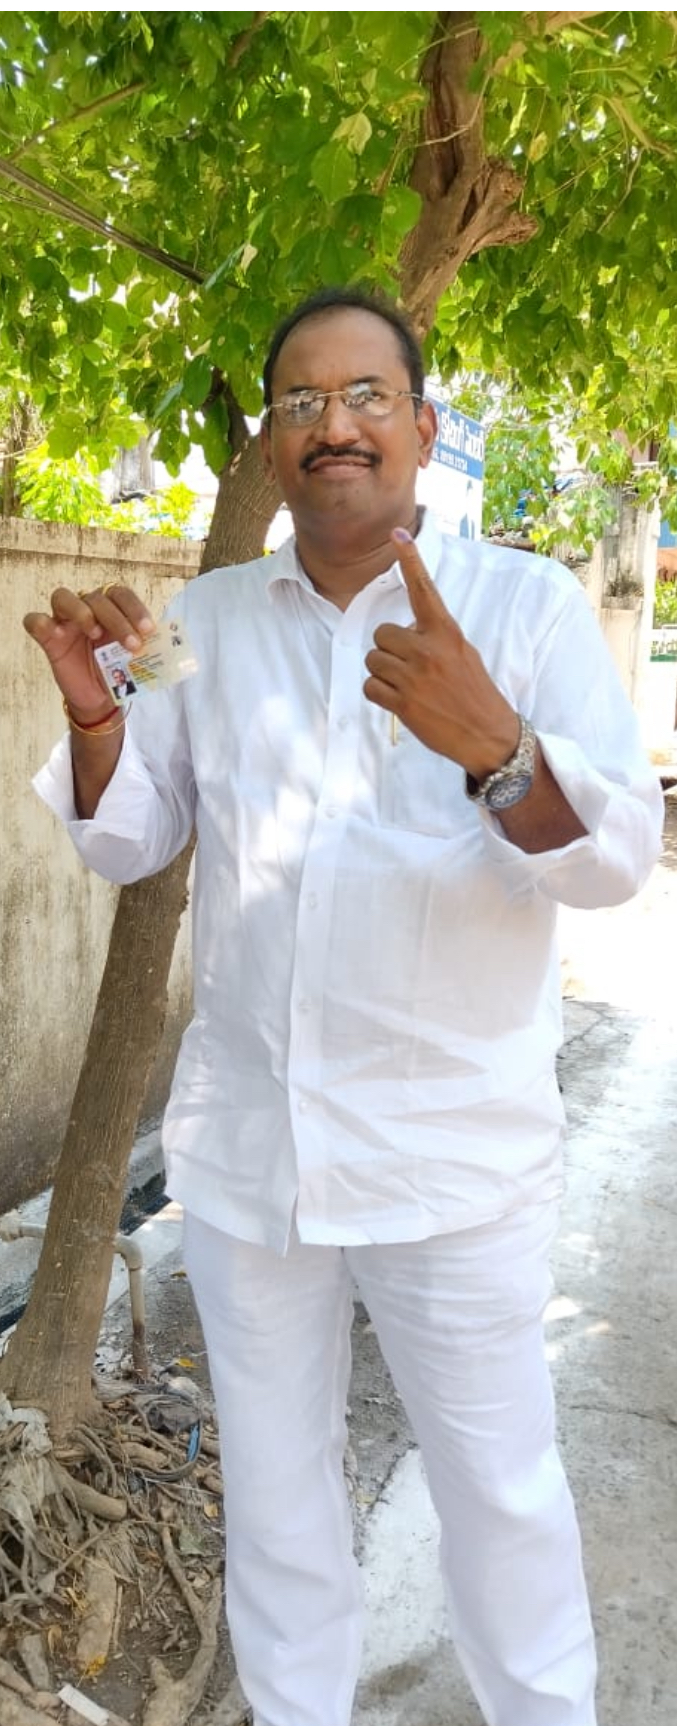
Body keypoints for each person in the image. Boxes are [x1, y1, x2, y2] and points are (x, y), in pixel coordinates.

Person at [25, 286, 663, 1726]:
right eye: (302, 401)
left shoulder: (525, 606)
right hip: (254, 1157)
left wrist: (494, 745)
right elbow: (137, 839)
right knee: (277, 1489)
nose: (334, 425)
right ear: (268, 440)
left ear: (423, 428)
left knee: (497, 1491)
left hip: (452, 1160)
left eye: (367, 396)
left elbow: (618, 859)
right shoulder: (218, 619)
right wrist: (96, 716)